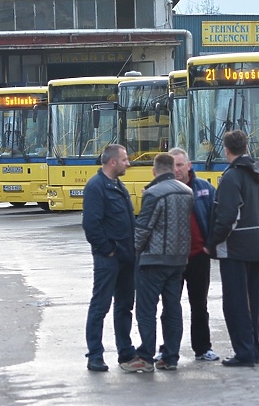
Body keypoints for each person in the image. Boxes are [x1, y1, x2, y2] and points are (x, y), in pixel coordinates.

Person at [207, 129, 259, 367]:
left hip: (235, 249)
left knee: (235, 304)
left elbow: (226, 218)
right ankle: (253, 350)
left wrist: (211, 243)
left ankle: (244, 352)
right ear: (246, 147)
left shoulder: (231, 177)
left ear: (226, 150)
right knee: (253, 303)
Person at [122, 153, 193, 373]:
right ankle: (170, 357)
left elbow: (143, 229)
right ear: (173, 169)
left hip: (153, 260)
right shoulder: (187, 192)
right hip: (178, 260)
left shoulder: (153, 194)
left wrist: (133, 252)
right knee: (173, 309)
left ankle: (145, 357)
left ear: (154, 170)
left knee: (146, 310)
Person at [161, 147, 219, 362]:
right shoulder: (163, 189)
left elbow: (217, 219)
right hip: (172, 259)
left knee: (199, 305)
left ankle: (203, 348)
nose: (176, 170)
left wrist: (209, 246)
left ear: (189, 165)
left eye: (179, 165)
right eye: (172, 165)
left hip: (198, 257)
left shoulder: (204, 188)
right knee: (170, 306)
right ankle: (167, 348)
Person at [82, 143, 136, 372]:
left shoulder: (118, 186)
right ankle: (95, 355)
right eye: (125, 160)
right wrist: (107, 250)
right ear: (113, 161)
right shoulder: (97, 187)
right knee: (100, 306)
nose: (128, 163)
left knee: (124, 306)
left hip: (126, 257)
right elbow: (91, 224)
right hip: (109, 259)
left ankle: (125, 352)